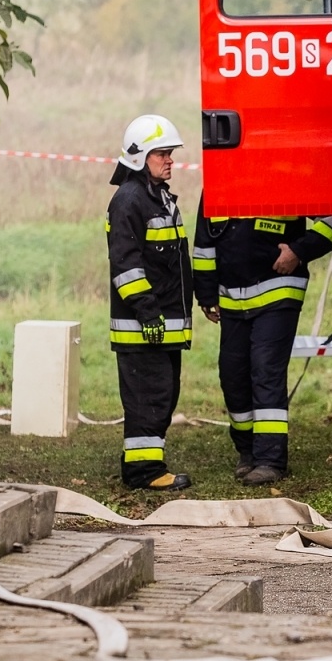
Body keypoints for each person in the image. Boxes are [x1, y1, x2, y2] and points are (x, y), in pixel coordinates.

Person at [192, 205, 332, 484]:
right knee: (232, 375)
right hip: (232, 300)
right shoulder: (221, 175)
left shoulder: (287, 172)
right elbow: (204, 243)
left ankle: (270, 460)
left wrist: (299, 250)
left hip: (278, 291)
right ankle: (247, 452)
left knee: (265, 370)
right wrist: (205, 293)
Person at [105, 114, 193, 491]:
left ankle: (143, 463)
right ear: (140, 157)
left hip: (161, 326)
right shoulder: (128, 201)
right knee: (149, 397)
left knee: (163, 393)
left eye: (170, 153)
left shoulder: (157, 198)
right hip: (143, 328)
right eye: (163, 154)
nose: (170, 160)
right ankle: (144, 473)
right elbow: (125, 265)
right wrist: (148, 311)